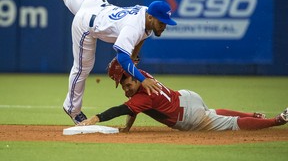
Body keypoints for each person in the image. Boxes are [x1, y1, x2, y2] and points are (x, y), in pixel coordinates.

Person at [18, 0, 177, 124]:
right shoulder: (133, 27)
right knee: (82, 68)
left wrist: (133, 56)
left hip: (95, 3)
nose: (164, 26)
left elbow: (142, 37)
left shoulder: (147, 14)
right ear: (152, 17)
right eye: (162, 22)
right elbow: (122, 57)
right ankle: (72, 108)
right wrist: (142, 78)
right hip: (87, 23)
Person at [78, 58, 288, 132]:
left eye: (127, 83)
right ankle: (253, 114)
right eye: (123, 86)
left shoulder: (143, 95)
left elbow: (122, 108)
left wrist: (96, 118)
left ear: (132, 77)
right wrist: (128, 127)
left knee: (230, 124)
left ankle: (275, 120)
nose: (126, 88)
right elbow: (133, 107)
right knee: (213, 113)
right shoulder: (143, 76)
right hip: (187, 97)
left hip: (188, 117)